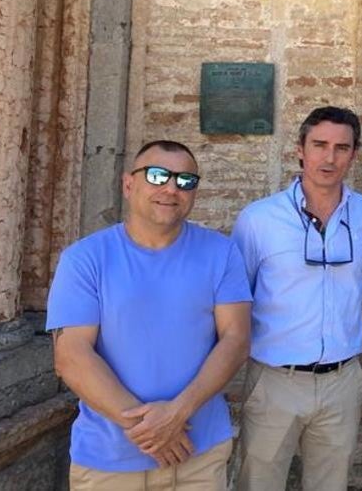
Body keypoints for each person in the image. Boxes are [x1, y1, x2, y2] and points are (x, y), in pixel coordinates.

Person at [48, 140, 251, 490]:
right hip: (109, 459)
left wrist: (177, 415)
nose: (171, 188)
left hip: (198, 455)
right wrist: (153, 432)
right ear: (129, 185)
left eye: (185, 180)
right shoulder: (84, 259)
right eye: (158, 176)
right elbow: (71, 357)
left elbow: (236, 339)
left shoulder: (221, 253)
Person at [231, 106, 362, 491]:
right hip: (275, 379)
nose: (329, 158)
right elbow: (238, 299)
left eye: (341, 147)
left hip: (342, 380)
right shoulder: (258, 219)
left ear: (354, 154)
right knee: (257, 483)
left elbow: (359, 285)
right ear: (300, 149)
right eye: (319, 145)